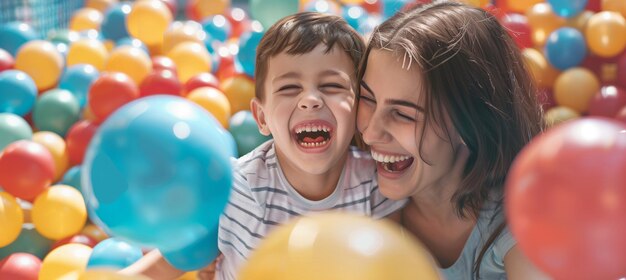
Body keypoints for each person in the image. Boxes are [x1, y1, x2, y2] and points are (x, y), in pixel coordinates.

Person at [121, 12, 406, 280]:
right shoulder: (234, 188)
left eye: (332, 86)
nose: (310, 99)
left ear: (359, 108)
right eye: (289, 88)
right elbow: (165, 263)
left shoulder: (376, 183)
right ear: (261, 117)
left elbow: (386, 266)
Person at [355, 2, 550, 279]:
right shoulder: (353, 194)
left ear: (470, 122)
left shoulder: (521, 217)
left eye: (403, 114)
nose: (371, 132)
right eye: (367, 99)